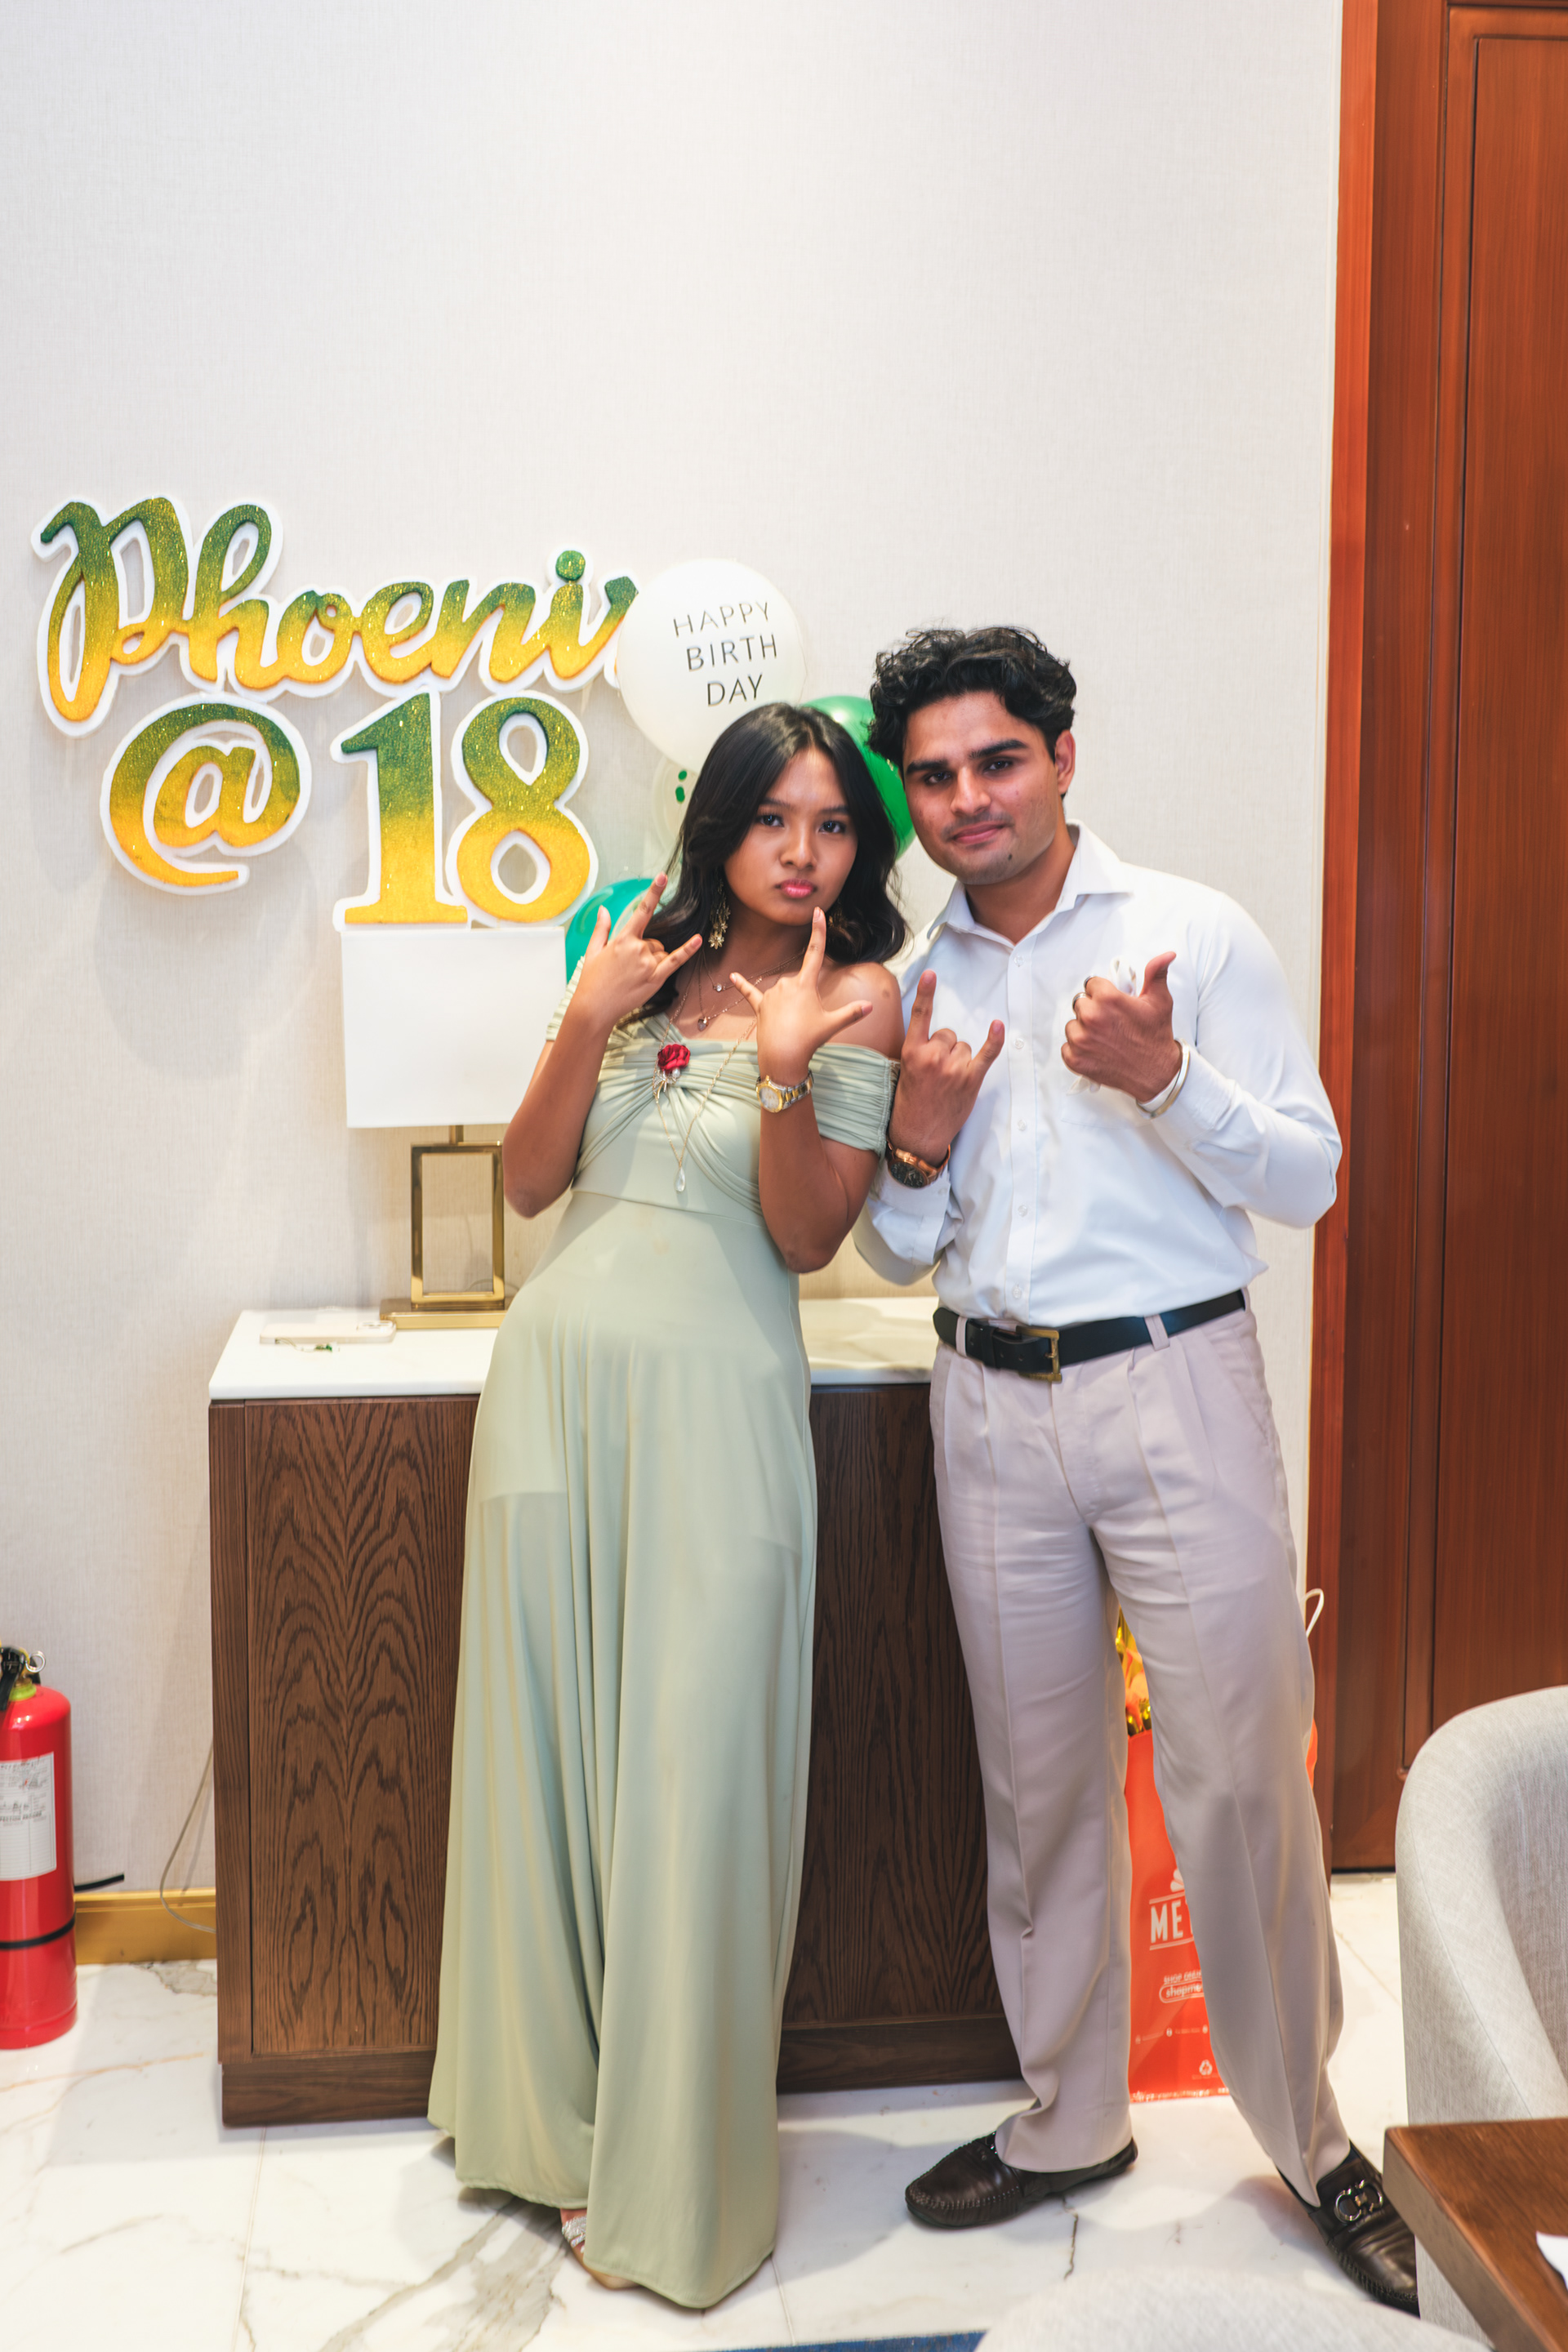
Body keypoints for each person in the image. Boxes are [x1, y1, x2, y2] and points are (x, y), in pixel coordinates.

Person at [858, 626, 1419, 2313]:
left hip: (1177, 1381)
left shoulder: (1193, 931)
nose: (966, 798)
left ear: (1062, 757)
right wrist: (915, 1145)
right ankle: (1068, 2121)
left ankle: (1312, 2136)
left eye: (996, 760)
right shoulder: (914, 982)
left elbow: (1307, 1177)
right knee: (1036, 1787)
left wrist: (1164, 1078)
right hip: (988, 1402)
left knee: (1240, 1776)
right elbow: (893, 1249)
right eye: (934, 775)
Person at [429, 702, 905, 2309]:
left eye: (832, 824)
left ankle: (672, 2174)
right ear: (720, 823)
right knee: (550, 1761)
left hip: (717, 1404)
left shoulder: (860, 994)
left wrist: (783, 1076)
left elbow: (807, 1239)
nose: (802, 851)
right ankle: (549, 2129)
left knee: (697, 1776)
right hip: (556, 1386)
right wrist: (586, 1015)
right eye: (773, 818)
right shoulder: (634, 949)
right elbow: (530, 1182)